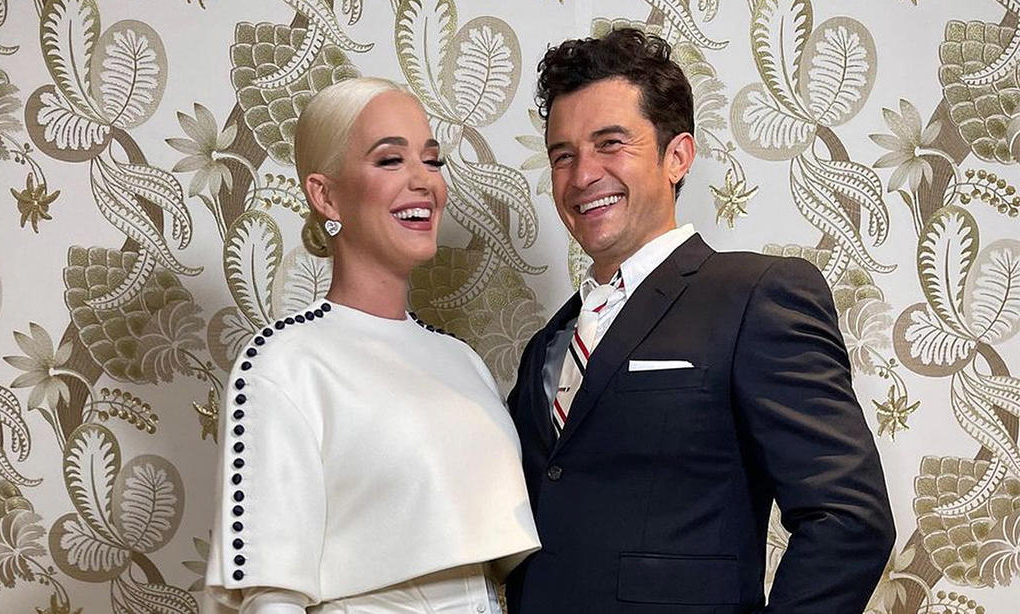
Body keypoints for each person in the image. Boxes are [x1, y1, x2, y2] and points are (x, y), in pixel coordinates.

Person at [505, 28, 895, 613]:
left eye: (611, 144)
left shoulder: (757, 297)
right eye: (563, 155)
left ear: (677, 156)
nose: (582, 175)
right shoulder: (546, 345)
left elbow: (849, 520)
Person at [204, 77, 540, 614]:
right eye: (389, 160)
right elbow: (271, 596)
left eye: (432, 160)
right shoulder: (284, 363)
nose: (423, 181)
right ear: (326, 195)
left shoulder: (463, 362)